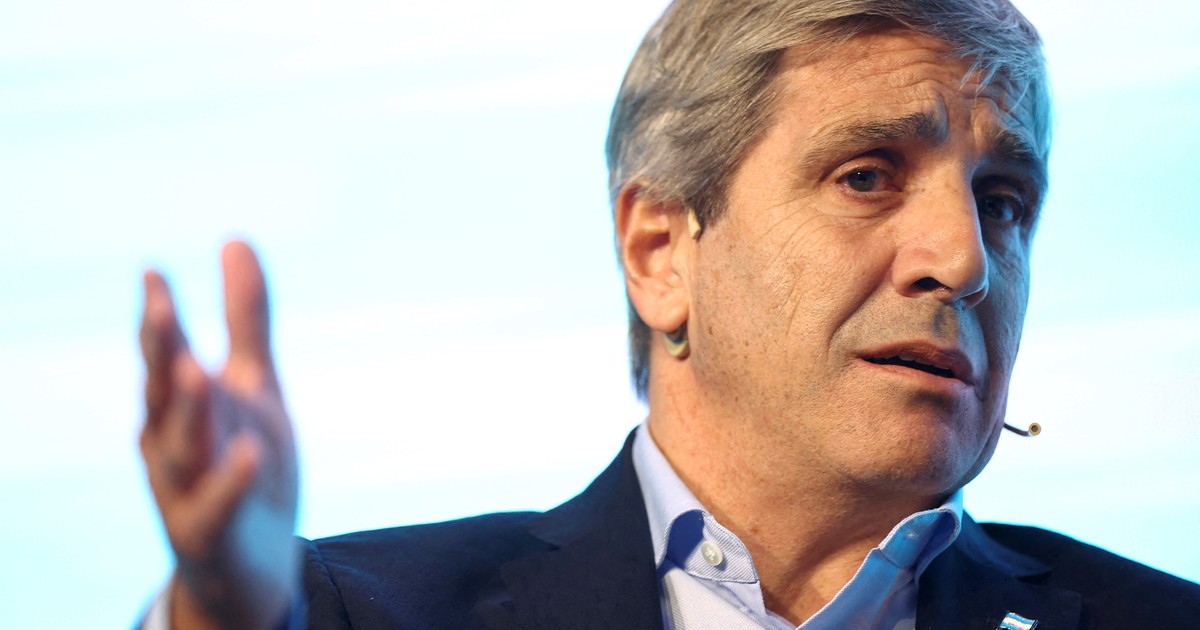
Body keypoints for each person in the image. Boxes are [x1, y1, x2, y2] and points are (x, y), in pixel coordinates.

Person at [138, 0, 1200, 628]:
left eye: (1002, 201)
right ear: (660, 253)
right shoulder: (358, 613)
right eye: (867, 176)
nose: (964, 262)